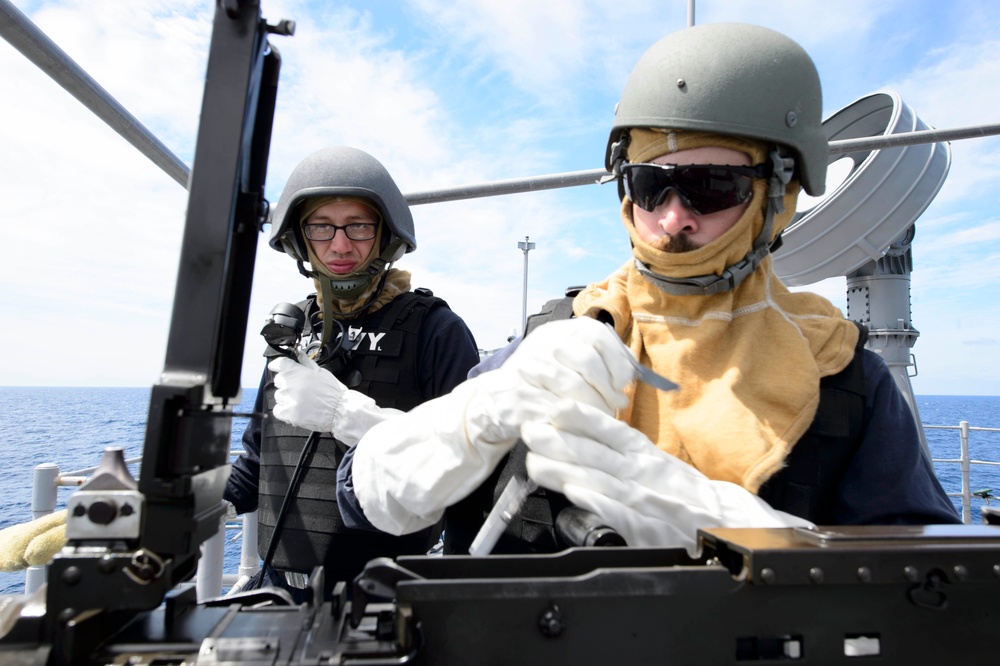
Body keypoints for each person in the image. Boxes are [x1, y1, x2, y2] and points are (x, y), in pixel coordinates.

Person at [304, 24, 959, 558]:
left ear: (778, 193)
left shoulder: (845, 384)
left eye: (712, 188)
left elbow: (931, 592)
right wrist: (458, 429)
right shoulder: (550, 344)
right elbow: (361, 507)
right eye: (651, 186)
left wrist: (766, 543)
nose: (674, 218)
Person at [224, 146, 480, 596]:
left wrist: (349, 415)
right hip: (278, 591)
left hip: (390, 596)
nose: (340, 244)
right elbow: (260, 459)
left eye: (359, 225)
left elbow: (470, 467)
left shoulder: (435, 331)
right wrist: (207, 500)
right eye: (321, 226)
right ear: (301, 238)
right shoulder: (290, 331)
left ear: (385, 235)